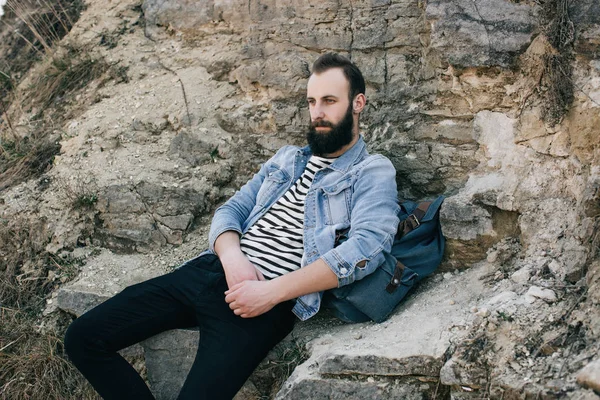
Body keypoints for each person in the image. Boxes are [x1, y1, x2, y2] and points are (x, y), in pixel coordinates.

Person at [64, 53, 400, 400]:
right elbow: (232, 209)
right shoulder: (288, 158)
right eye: (312, 102)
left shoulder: (372, 170)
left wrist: (272, 292)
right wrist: (231, 257)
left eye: (329, 101)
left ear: (358, 103)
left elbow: (367, 247)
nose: (317, 112)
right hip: (208, 271)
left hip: (263, 305)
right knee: (83, 337)